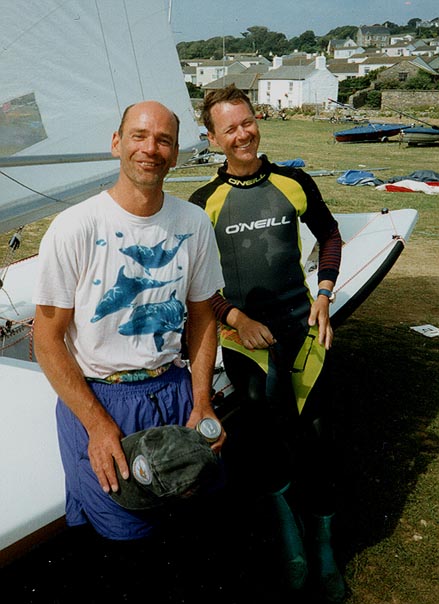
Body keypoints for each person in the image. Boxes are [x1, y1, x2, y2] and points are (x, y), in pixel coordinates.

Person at [32, 101, 226, 548]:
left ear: (176, 154)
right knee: (126, 531)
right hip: (101, 397)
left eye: (163, 140)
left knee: (195, 514)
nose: (150, 148)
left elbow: (201, 317)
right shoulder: (74, 227)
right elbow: (46, 339)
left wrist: (202, 401)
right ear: (117, 143)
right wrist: (98, 425)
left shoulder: (193, 223)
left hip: (174, 389)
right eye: (139, 135)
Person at [189, 84, 346, 603]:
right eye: (229, 128)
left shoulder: (293, 182)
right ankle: (291, 543)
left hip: (302, 333)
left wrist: (323, 295)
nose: (243, 134)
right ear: (212, 139)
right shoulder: (202, 204)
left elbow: (329, 236)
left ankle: (323, 549)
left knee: (319, 440)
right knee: (262, 437)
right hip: (243, 342)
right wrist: (234, 314)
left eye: (247, 121)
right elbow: (197, 285)